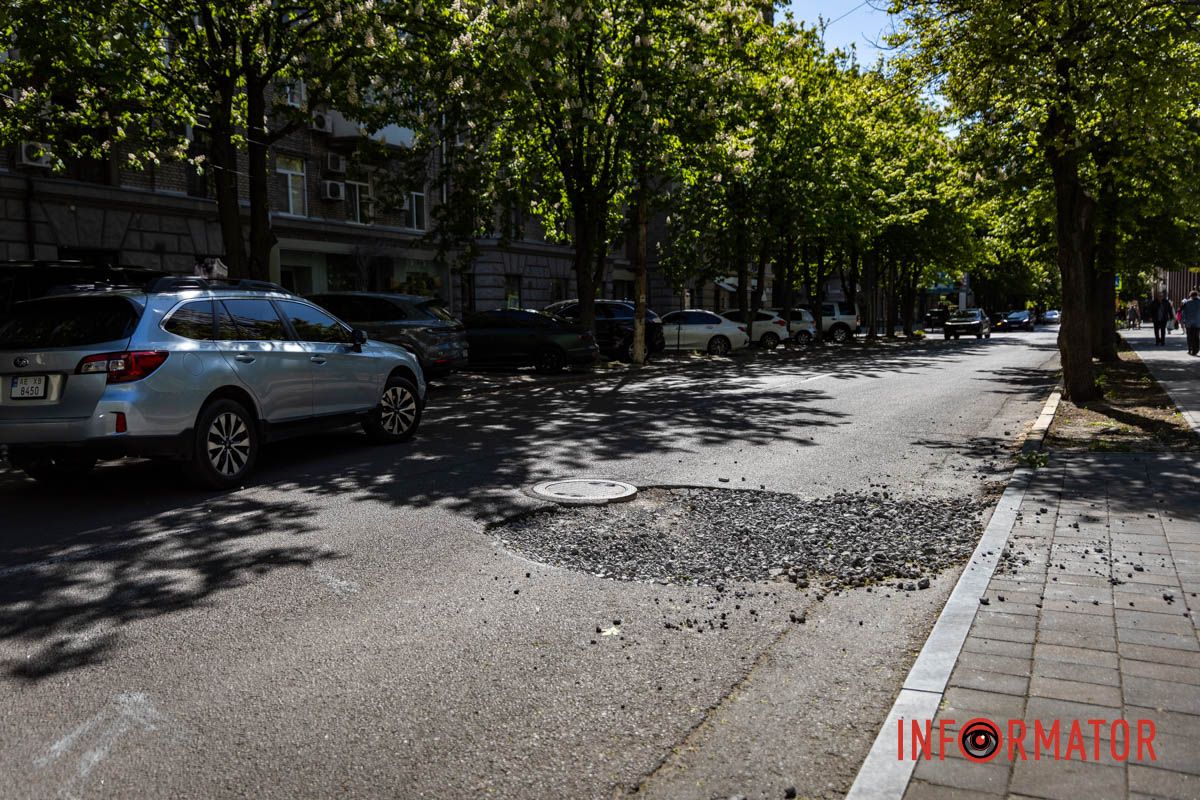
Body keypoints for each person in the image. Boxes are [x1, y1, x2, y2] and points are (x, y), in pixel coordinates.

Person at [1184, 290, 1200, 356]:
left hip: (1189, 323)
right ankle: (1196, 349)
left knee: (1189, 336)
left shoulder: (1187, 302)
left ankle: (1190, 349)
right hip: (1197, 323)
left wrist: (1183, 321)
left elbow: (1184, 312)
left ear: (1190, 295)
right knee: (1196, 336)